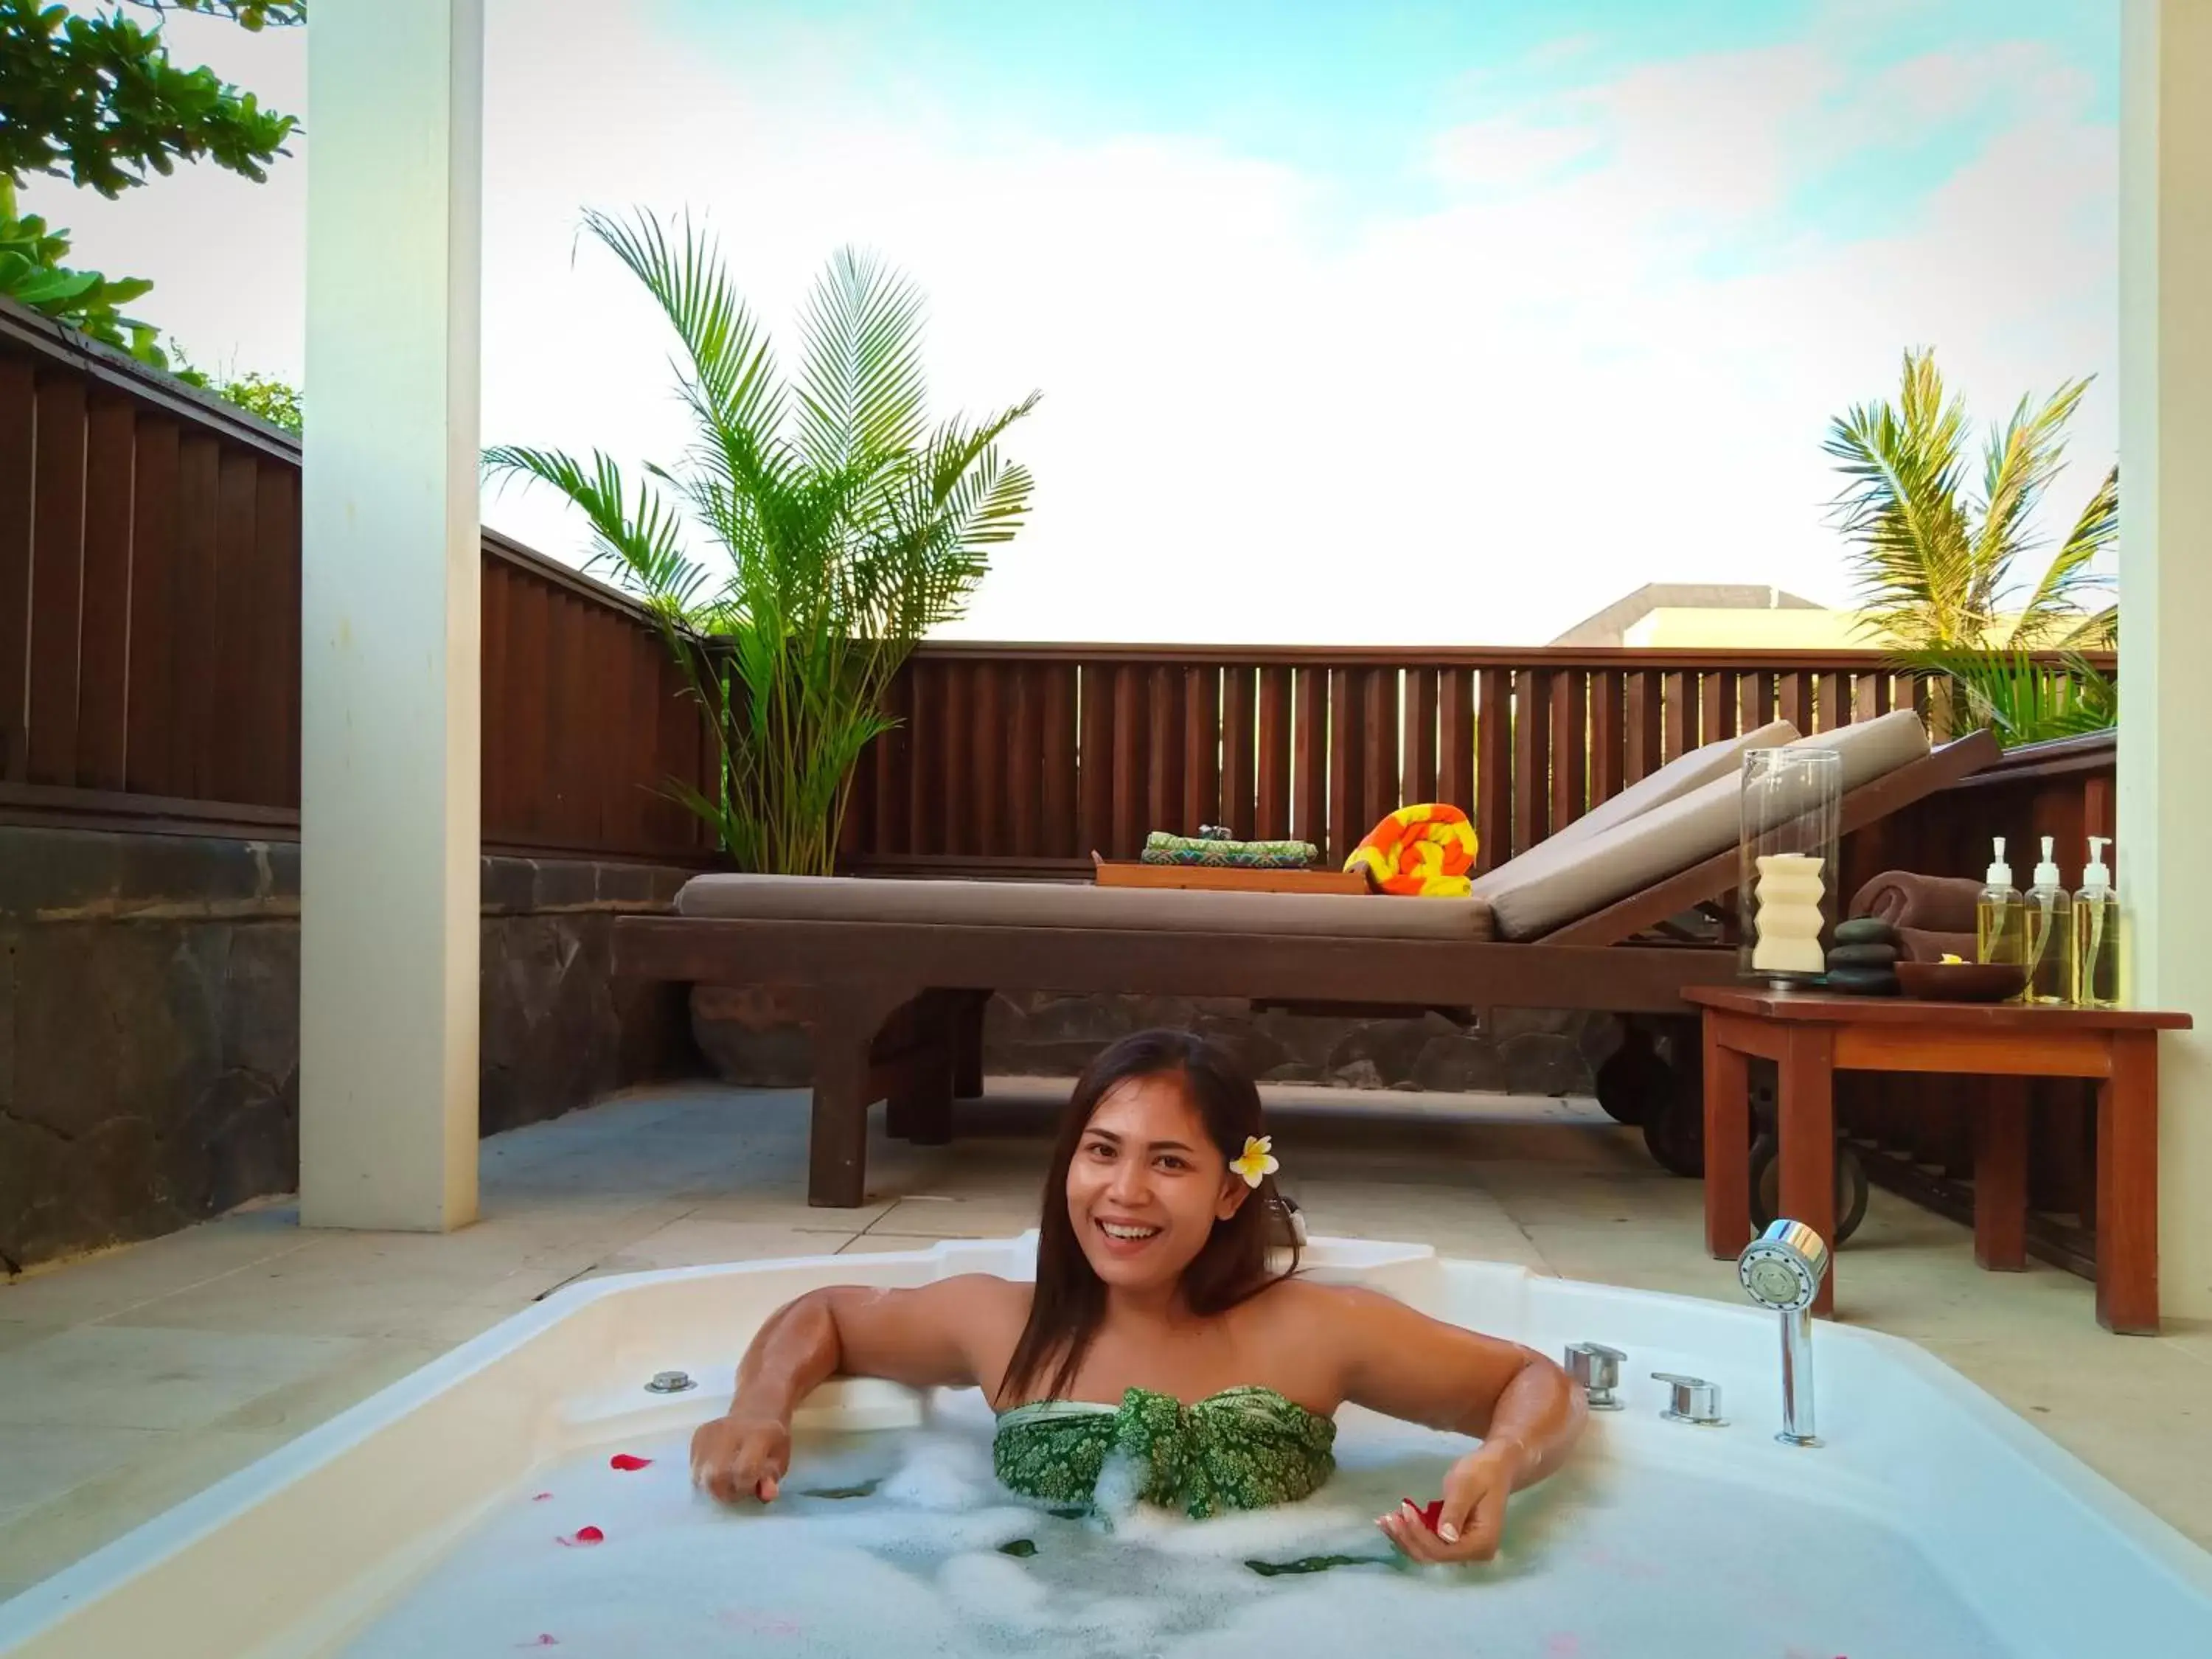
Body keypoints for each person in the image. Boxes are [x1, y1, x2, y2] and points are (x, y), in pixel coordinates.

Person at [690, 1029, 1587, 1563]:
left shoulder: (1316, 1331)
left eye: (1169, 1163)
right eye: (1102, 1150)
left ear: (1231, 1192)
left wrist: (1503, 1462)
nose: (1123, 1192)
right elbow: (828, 1315)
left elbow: (1536, 1381)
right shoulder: (1004, 1326)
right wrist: (761, 1406)